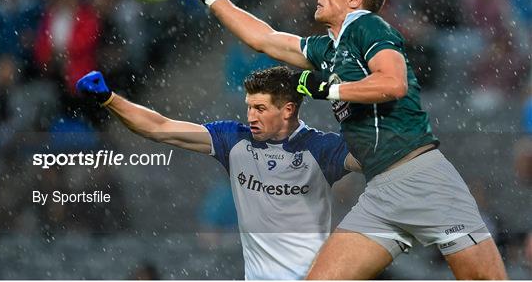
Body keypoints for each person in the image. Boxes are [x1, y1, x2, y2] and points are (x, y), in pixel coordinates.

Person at [190, 0, 508, 279]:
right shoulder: (328, 50)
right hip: (381, 190)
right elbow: (265, 39)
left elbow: (393, 82)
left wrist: (330, 89)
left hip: (422, 178)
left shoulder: (367, 27)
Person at [76, 66, 357, 280]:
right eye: (249, 107)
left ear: (288, 110)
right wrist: (109, 99)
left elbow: (376, 157)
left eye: (260, 108)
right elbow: (159, 128)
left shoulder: (320, 148)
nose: (250, 117)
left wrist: (345, 106)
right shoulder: (234, 140)